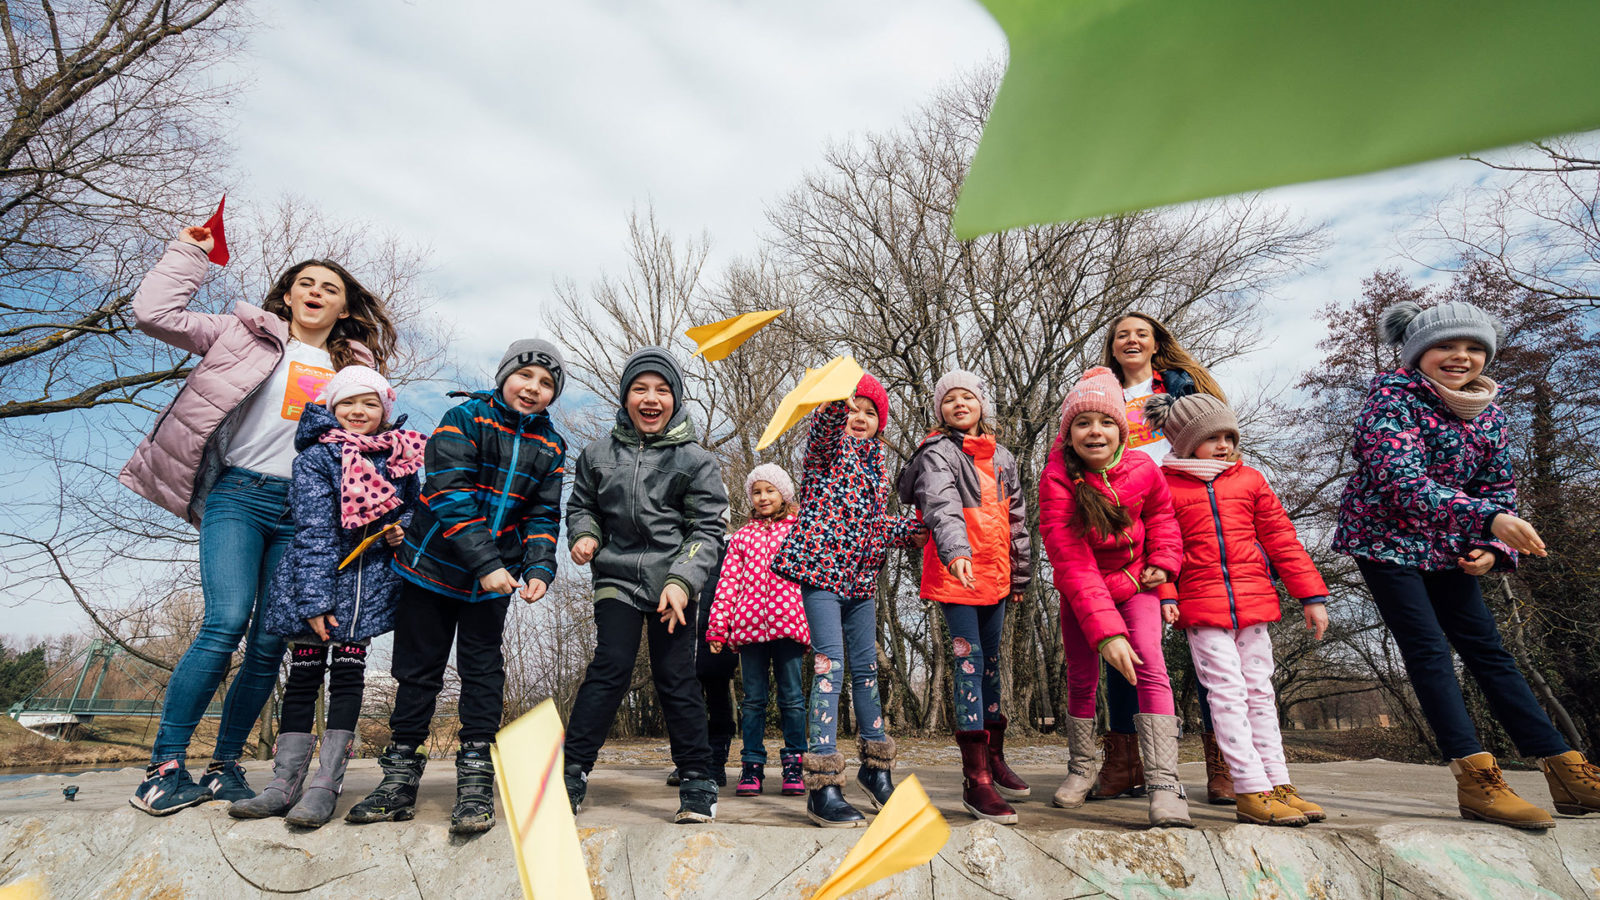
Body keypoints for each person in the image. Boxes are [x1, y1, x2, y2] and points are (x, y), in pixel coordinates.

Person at [121, 226, 396, 815]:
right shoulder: (240, 334)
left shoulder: (356, 366)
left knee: (270, 640)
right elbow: (152, 312)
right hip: (240, 496)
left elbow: (369, 445)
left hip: (307, 512)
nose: (317, 293)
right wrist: (191, 251)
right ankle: (165, 767)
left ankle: (225, 766)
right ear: (289, 295)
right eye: (306, 284)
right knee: (224, 622)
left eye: (330, 288)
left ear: (345, 306)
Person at [1334, 301, 1600, 830]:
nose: (1461, 357)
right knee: (1429, 650)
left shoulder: (1491, 414)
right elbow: (1400, 483)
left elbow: (1498, 488)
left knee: (1489, 651)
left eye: (1474, 347)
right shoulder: (1391, 401)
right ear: (1417, 353)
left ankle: (1566, 771)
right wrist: (1490, 520)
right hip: (1385, 541)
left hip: (1450, 545)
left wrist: (1495, 549)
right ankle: (1476, 777)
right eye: (1446, 346)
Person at [345, 340, 568, 835]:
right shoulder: (463, 417)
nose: (533, 388)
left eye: (547, 384)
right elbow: (449, 492)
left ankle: (475, 778)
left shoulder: (552, 446)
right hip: (432, 567)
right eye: (526, 376)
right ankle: (399, 778)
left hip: (493, 580)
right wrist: (485, 560)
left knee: (483, 670)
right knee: (419, 669)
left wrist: (539, 568)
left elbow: (542, 513)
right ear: (505, 375)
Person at [229, 366, 424, 827]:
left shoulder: (400, 459)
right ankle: (283, 782)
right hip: (316, 581)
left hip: (369, 586)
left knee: (350, 679)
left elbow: (417, 506)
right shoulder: (315, 459)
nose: (359, 411)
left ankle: (326, 783)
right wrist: (316, 601)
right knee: (303, 677)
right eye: (348, 403)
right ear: (332, 409)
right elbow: (314, 531)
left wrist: (403, 529)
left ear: (384, 411)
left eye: (370, 403)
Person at [1145, 392, 1330, 827]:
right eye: (1213, 438)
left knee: (1261, 694)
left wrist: (1311, 596)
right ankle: (1249, 787)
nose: (1225, 444)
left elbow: (1282, 538)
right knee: (1226, 694)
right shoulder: (1165, 485)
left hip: (1253, 604)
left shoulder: (1249, 480)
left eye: (1230, 435)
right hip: (1201, 607)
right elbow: (1160, 545)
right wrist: (1167, 594)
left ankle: (1278, 783)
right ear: (1187, 441)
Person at [561, 348, 730, 824]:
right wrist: (586, 534)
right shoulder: (596, 455)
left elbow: (707, 529)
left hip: (671, 581)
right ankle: (572, 772)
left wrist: (682, 581)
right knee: (609, 666)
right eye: (640, 389)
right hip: (615, 576)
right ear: (626, 396)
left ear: (675, 399)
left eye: (662, 390)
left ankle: (697, 777)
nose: (650, 398)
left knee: (675, 675)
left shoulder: (696, 461)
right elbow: (581, 507)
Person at [1038, 366, 1191, 828]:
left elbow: (1164, 517)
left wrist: (1165, 561)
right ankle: (1081, 768)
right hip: (1083, 593)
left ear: (1120, 428)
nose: (1095, 431)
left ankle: (1164, 782)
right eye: (1083, 423)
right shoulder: (1057, 480)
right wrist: (1106, 635)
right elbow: (1071, 560)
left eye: (1105, 422)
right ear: (1069, 434)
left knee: (1148, 660)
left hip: (1137, 585)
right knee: (1082, 677)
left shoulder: (1143, 468)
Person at [772, 372, 924, 828]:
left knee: (867, 671)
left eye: (869, 411)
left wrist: (917, 529)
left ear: (882, 423)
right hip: (822, 576)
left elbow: (874, 524)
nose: (859, 417)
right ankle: (822, 782)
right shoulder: (826, 454)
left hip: (861, 583)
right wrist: (838, 393)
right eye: (852, 409)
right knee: (828, 667)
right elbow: (820, 432)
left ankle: (876, 771)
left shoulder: (878, 467)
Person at [1098, 311, 1235, 803]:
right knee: (1125, 642)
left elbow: (1222, 446)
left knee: (1207, 638)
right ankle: (1126, 759)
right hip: (1126, 528)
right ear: (1111, 347)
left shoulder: (1185, 387)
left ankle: (1225, 762)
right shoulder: (1101, 391)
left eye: (1141, 333)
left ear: (1157, 344)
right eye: (1121, 335)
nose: (1131, 340)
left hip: (1187, 515)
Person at [897, 371, 1032, 825]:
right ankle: (975, 779)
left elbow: (1016, 518)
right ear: (940, 410)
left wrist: (1021, 575)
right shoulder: (939, 453)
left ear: (981, 405)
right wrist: (955, 552)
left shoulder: (1003, 456)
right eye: (949, 399)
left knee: (991, 663)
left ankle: (994, 757)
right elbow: (941, 505)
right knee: (969, 663)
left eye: (967, 397)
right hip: (958, 573)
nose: (959, 404)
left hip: (996, 573)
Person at [706, 464, 809, 798]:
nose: (763, 497)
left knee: (792, 698)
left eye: (769, 490)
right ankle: (751, 764)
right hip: (748, 630)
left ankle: (795, 762)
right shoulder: (741, 538)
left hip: (789, 626)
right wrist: (718, 628)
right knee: (753, 701)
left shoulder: (800, 530)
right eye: (756, 492)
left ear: (784, 494)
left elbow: (814, 578)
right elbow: (727, 585)